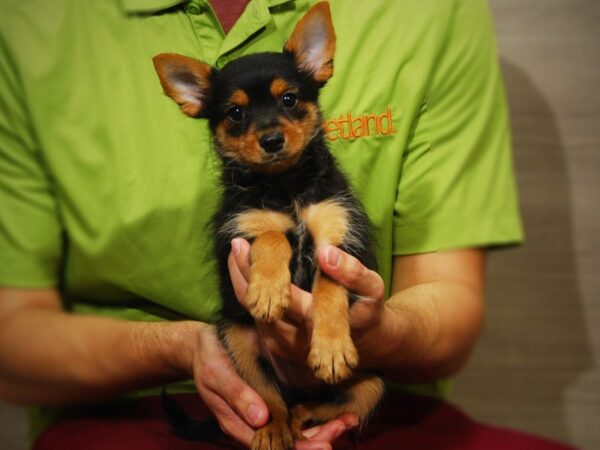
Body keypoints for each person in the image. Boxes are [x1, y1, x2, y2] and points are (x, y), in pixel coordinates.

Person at [0, 1, 568, 449]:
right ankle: (272, 413)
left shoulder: (431, 16)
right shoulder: (33, 25)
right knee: (239, 323)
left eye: (290, 103)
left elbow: (362, 275)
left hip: (359, 378)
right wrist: (189, 345)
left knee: (367, 381)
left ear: (319, 74)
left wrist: (371, 329)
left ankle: (319, 417)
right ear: (196, 101)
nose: (270, 130)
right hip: (174, 398)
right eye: (238, 116)